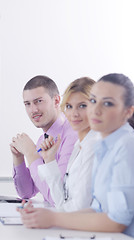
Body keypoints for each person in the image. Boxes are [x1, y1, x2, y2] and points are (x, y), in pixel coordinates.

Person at [18, 73, 134, 240]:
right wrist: (47, 214)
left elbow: (116, 221)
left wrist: (54, 217)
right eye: (69, 107)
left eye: (106, 104)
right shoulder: (96, 145)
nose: (96, 110)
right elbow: (87, 207)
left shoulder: (126, 145)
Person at [10, 75, 78, 205]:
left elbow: (57, 198)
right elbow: (27, 192)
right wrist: (18, 158)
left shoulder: (72, 135)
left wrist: (31, 153)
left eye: (39, 101)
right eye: (27, 104)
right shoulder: (43, 139)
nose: (33, 110)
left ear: (56, 101)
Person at [37, 77, 100, 211]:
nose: (74, 114)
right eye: (69, 106)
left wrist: (50, 217)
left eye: (82, 106)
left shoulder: (94, 146)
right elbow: (62, 203)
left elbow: (78, 209)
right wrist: (49, 160)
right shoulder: (79, 145)